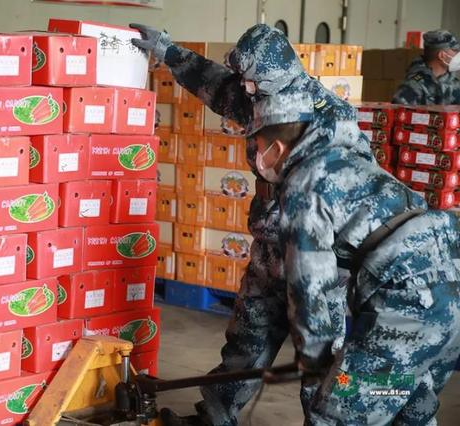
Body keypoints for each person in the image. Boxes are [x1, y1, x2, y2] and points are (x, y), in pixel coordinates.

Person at [130, 23, 366, 425]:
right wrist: (168, 51)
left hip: (317, 257)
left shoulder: (332, 120)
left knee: (321, 358)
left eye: (254, 82)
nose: (247, 89)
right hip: (269, 247)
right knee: (245, 340)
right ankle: (214, 418)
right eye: (246, 81)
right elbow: (216, 85)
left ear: (277, 76)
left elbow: (358, 194)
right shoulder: (262, 97)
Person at [250, 89, 460, 424]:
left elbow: (309, 287)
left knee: (336, 411)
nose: (257, 158)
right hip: (450, 277)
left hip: (409, 298)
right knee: (405, 399)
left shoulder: (303, 185)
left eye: (258, 147)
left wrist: (315, 360)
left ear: (275, 147)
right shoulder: (346, 156)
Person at [392, 29, 460, 105]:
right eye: (455, 50)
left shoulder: (455, 83)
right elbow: (398, 110)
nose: (458, 54)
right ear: (442, 55)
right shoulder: (414, 85)